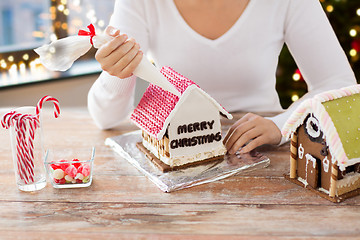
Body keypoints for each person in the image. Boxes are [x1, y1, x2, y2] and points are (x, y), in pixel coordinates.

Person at [88, 0, 356, 154]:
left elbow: (339, 84)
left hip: (266, 152)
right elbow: (106, 118)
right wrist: (118, 71)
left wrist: (282, 125)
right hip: (176, 149)